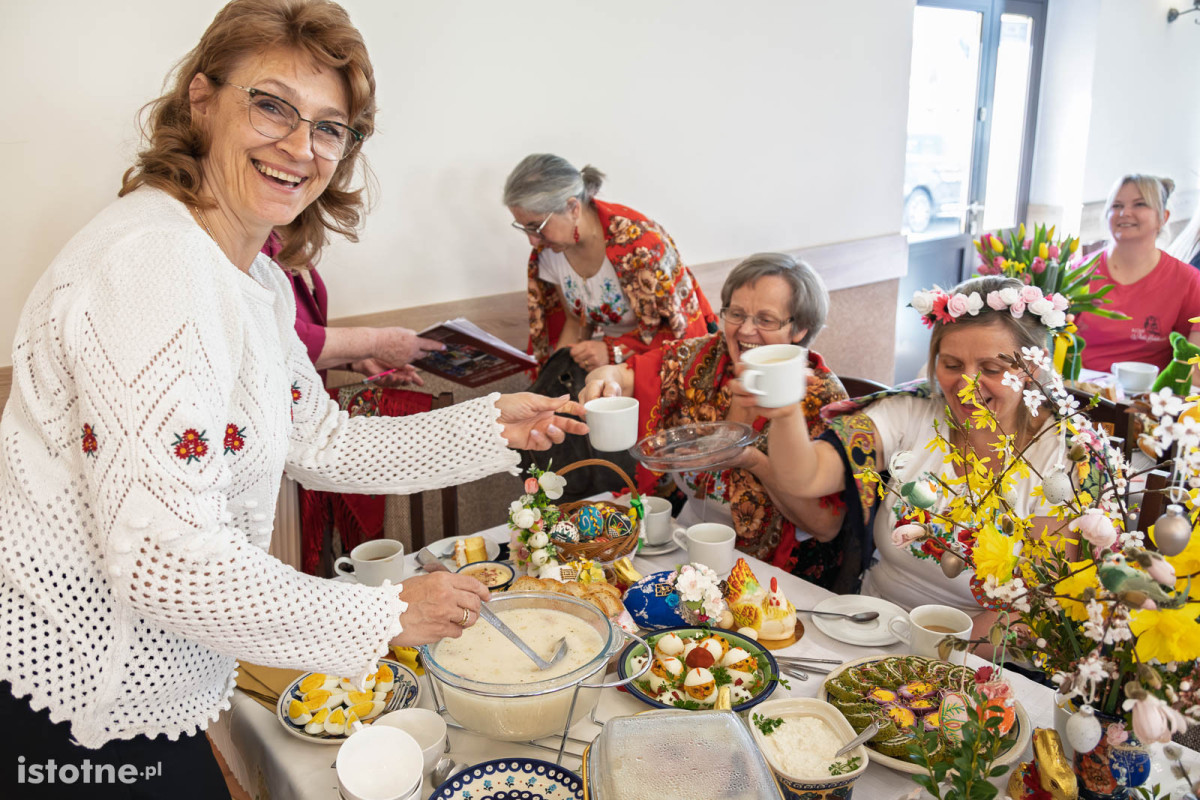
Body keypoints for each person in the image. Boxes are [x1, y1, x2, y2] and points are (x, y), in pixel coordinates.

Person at [0, 1, 586, 794]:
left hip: (147, 678)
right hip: (76, 701)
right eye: (271, 105)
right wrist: (385, 615)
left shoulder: (256, 280)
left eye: (329, 126)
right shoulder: (155, 266)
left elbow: (322, 441)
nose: (299, 146)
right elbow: (157, 555)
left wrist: (492, 426)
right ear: (201, 100)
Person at [741, 276, 1069, 638]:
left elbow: (1034, 608)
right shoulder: (911, 411)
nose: (968, 384)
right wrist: (785, 412)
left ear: (1033, 371)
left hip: (975, 654)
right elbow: (805, 477)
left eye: (991, 369)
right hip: (870, 626)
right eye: (951, 364)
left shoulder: (1063, 459)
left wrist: (934, 652)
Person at [579, 253, 850, 588]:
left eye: (766, 319)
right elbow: (619, 373)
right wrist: (600, 383)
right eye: (736, 314)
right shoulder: (702, 357)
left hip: (779, 571)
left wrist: (754, 461)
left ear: (800, 329)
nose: (745, 330)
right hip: (686, 541)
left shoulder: (823, 398)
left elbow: (827, 526)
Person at [505, 154, 717, 372]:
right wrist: (555, 374)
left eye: (536, 226)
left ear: (573, 208)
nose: (532, 240)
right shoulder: (550, 250)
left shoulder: (639, 246)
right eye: (524, 228)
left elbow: (678, 333)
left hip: (659, 362)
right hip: (608, 364)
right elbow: (573, 321)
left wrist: (613, 351)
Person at [266, 231, 444, 386]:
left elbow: (300, 344)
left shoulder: (289, 239)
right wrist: (377, 343)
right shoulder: (255, 244)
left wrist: (358, 361)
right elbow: (271, 338)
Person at [1074, 174, 1200, 372]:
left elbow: (1193, 370)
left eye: (1140, 204)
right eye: (1116, 206)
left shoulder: (1189, 282)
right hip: (1079, 395)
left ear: (1163, 217)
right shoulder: (1079, 273)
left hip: (1149, 399)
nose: (1125, 213)